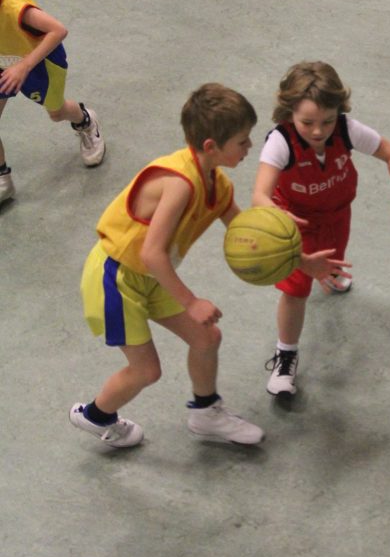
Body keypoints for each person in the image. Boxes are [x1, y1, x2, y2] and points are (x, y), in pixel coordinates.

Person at [70, 83, 350, 449]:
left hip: (150, 276)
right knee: (147, 370)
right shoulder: (179, 184)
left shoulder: (217, 183)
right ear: (211, 146)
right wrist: (191, 302)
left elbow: (244, 232)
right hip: (115, 278)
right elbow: (153, 253)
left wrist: (301, 261)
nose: (249, 147)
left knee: (206, 338)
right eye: (242, 141)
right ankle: (95, 416)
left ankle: (205, 414)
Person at [251, 61, 390, 398]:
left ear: (339, 111)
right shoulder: (280, 142)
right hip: (295, 224)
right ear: (289, 112)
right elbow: (259, 196)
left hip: (337, 214)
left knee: (334, 259)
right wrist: (278, 217)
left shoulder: (347, 130)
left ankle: (331, 274)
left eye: (327, 121)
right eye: (307, 122)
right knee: (295, 291)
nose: (318, 131)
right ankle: (285, 356)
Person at [0, 0, 105, 206]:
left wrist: (24, 66)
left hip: (39, 62)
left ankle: (85, 121)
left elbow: (58, 30)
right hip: (3, 58)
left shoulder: (15, 8)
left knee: (56, 113)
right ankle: (2, 180)